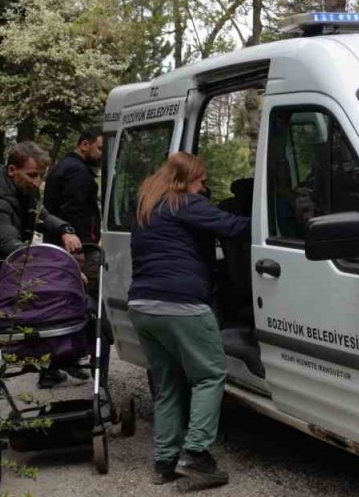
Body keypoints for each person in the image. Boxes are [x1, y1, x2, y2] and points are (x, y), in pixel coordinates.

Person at [0, 142, 82, 448]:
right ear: (12, 170)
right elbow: (9, 244)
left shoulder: (22, 190)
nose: (37, 182)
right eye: (32, 175)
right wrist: (58, 270)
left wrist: (64, 229)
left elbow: (41, 214)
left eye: (40, 176)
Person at [129, 153, 249, 487]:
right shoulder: (185, 202)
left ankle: (164, 461)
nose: (204, 188)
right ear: (185, 180)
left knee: (168, 385)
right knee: (209, 376)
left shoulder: (146, 205)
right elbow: (234, 227)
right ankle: (196, 454)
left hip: (142, 306)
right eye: (201, 181)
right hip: (182, 304)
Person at [37, 126, 106, 389]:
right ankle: (72, 357)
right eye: (100, 148)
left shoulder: (63, 167)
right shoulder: (77, 172)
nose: (102, 155)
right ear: (85, 144)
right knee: (85, 304)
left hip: (62, 246)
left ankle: (57, 364)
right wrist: (80, 246)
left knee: (62, 305)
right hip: (77, 248)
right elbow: (74, 212)